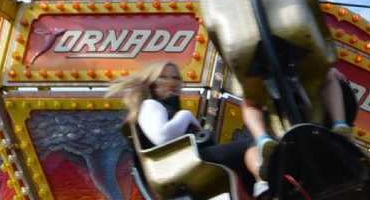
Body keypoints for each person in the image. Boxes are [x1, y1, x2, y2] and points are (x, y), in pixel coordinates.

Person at [111, 58, 269, 188]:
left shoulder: (166, 109)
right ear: (152, 83)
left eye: (176, 78)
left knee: (240, 164)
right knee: (252, 145)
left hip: (185, 163)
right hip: (184, 164)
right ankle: (263, 182)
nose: (172, 83)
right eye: (163, 77)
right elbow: (162, 137)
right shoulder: (150, 105)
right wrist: (185, 115)